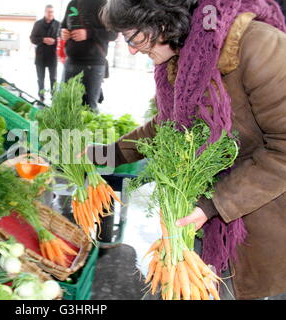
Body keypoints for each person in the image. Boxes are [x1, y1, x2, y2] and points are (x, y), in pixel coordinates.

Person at [90, 0, 286, 300]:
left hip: (257, 216)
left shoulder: (259, 46)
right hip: (204, 215)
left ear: (161, 21)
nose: (131, 49)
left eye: (133, 37)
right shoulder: (184, 55)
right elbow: (168, 123)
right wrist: (108, 154)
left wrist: (213, 204)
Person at [60, 0, 117, 113]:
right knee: (65, 104)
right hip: (70, 63)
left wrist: (89, 33)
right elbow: (62, 27)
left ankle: (87, 131)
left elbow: (113, 33)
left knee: (89, 108)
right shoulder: (72, 3)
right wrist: (62, 32)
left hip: (93, 64)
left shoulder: (103, 4)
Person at [30, 5, 60, 102]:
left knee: (54, 79)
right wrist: (43, 39)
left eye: (52, 12)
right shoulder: (38, 24)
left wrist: (54, 41)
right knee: (40, 78)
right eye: (48, 12)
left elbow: (62, 40)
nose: (50, 14)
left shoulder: (58, 24)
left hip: (53, 56)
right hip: (40, 56)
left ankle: (54, 96)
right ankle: (41, 97)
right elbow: (32, 38)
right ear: (44, 12)